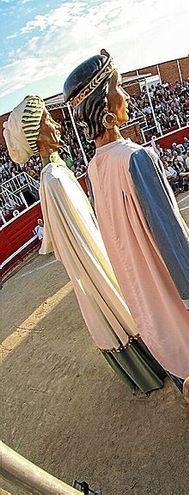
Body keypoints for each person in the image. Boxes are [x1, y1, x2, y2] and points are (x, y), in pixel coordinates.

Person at [65, 50, 189, 384]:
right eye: (118, 87)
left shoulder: (93, 169)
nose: (126, 96)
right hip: (172, 287)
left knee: (180, 359)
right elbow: (167, 232)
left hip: (143, 294)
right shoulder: (136, 158)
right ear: (104, 103)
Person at [3, 94, 163, 393]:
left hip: (95, 258)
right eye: (48, 121)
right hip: (95, 262)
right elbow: (82, 240)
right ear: (37, 136)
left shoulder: (55, 173)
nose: (57, 126)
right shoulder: (54, 179)